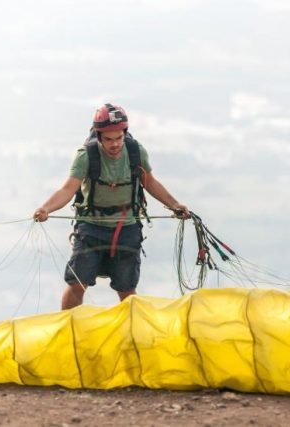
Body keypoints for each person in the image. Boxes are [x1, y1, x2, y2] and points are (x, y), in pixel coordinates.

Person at [33, 103, 189, 309]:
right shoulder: (86, 155)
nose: (115, 144)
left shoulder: (135, 152)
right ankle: (66, 330)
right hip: (91, 227)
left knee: (127, 289)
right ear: (98, 136)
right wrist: (46, 209)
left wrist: (174, 205)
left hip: (127, 227)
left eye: (118, 138)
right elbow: (68, 189)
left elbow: (149, 182)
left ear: (125, 134)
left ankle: (131, 336)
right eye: (108, 139)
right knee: (77, 284)